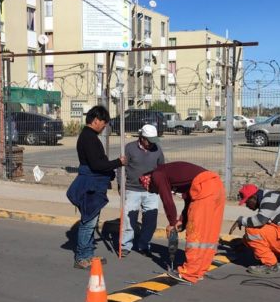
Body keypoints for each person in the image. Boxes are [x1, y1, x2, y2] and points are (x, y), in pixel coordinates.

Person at [140, 161, 225, 284]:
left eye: (153, 190)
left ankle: (189, 274)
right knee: (208, 233)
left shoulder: (157, 175)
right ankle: (199, 271)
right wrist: (182, 221)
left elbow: (167, 201)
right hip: (216, 186)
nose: (156, 192)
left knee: (195, 233)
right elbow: (189, 200)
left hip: (205, 189)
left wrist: (172, 223)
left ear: (149, 182)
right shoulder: (171, 175)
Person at [66, 105, 126, 270]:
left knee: (92, 221)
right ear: (96, 120)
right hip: (90, 185)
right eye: (104, 122)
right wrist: (117, 163)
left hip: (93, 183)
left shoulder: (89, 136)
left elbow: (99, 164)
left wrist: (110, 169)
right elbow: (97, 164)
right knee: (88, 222)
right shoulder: (89, 138)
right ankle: (82, 257)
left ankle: (88, 254)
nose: (105, 125)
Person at [229, 184, 280, 276]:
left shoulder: (269, 200)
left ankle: (270, 265)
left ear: (253, 197)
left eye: (247, 202)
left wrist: (241, 220)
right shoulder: (268, 197)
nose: (247, 205)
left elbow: (260, 221)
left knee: (251, 230)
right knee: (250, 236)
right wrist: (244, 242)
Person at [119, 124, 165, 257]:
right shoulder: (129, 148)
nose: (152, 144)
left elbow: (162, 169)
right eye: (149, 141)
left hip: (151, 191)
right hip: (132, 189)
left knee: (151, 219)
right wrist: (121, 186)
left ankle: (144, 244)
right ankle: (125, 245)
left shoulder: (157, 149)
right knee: (129, 219)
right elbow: (121, 167)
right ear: (142, 138)